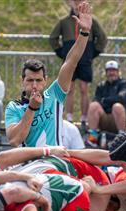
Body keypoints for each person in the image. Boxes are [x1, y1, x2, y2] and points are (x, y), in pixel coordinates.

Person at [5, 1, 93, 147]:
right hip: (28, 166)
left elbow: (70, 62)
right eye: (30, 80)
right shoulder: (14, 107)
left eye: (39, 80)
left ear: (45, 80)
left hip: (54, 162)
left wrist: (84, 33)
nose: (34, 85)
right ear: (22, 80)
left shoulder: (54, 95)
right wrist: (32, 108)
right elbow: (14, 140)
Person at [49, 0, 107, 131]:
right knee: (68, 89)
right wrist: (61, 52)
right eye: (74, 2)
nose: (76, 4)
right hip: (70, 60)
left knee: (84, 89)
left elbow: (102, 38)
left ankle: (84, 119)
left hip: (85, 59)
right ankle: (69, 118)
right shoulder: (64, 21)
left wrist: (93, 52)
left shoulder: (91, 21)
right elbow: (53, 38)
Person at [87, 60, 126, 146]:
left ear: (118, 71)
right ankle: (93, 138)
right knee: (93, 106)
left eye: (114, 70)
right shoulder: (101, 85)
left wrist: (105, 100)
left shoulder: (124, 83)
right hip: (104, 118)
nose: (112, 73)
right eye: (109, 70)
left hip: (119, 119)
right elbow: (96, 100)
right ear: (106, 72)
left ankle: (121, 137)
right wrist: (110, 101)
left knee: (117, 106)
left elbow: (122, 98)